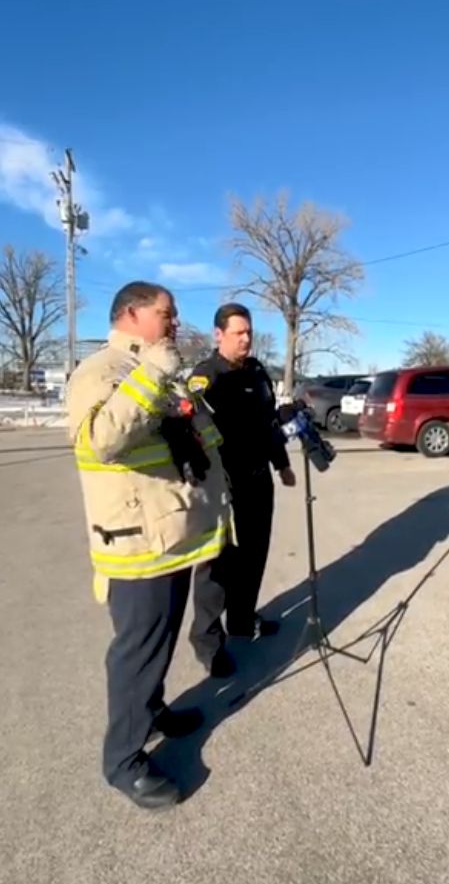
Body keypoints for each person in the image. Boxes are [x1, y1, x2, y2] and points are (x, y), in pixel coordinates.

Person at [67, 281, 232, 810]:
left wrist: (193, 413)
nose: (175, 321)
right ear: (132, 313)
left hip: (171, 535)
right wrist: (156, 374)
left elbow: (199, 439)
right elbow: (102, 441)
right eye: (166, 312)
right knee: (137, 651)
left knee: (157, 644)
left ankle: (154, 709)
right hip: (135, 544)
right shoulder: (100, 372)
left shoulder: (161, 369)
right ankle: (123, 761)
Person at [187, 303, 296, 675]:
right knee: (218, 565)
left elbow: (267, 423)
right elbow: (191, 433)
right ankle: (208, 644)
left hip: (258, 478)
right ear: (219, 335)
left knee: (254, 553)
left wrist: (281, 464)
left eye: (248, 332)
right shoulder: (206, 377)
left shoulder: (257, 370)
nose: (246, 338)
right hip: (223, 483)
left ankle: (243, 620)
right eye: (238, 333)